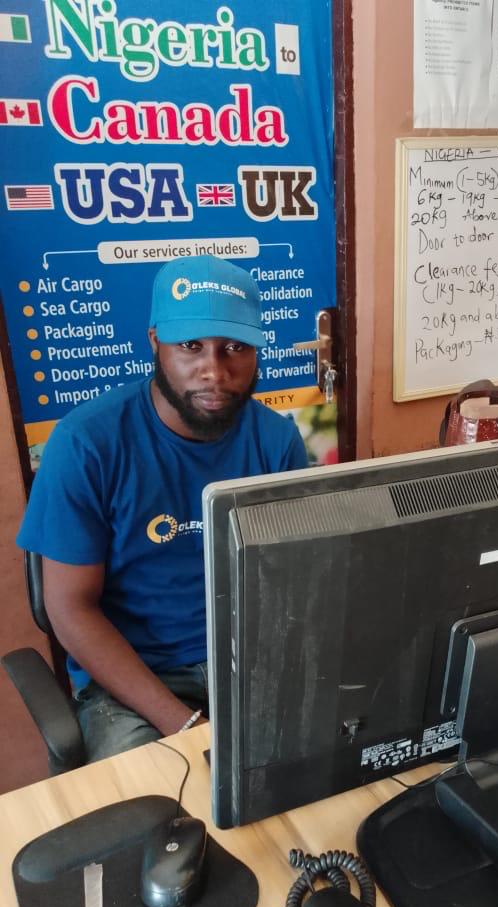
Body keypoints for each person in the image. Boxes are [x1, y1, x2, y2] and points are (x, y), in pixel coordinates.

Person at [17, 255, 309, 762]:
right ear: (155, 342)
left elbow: (289, 578)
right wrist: (185, 725)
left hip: (249, 660)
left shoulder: (276, 440)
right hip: (133, 679)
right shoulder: (86, 443)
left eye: (235, 348)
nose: (214, 371)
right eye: (190, 346)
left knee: (339, 760)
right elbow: (69, 608)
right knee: (153, 796)